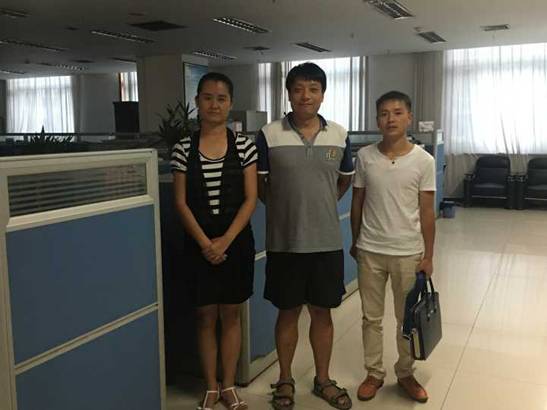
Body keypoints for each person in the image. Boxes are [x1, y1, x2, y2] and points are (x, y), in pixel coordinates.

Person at [256, 62, 354, 410]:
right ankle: (285, 379)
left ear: (323, 94)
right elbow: (261, 185)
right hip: (285, 243)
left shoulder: (339, 134)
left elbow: (344, 181)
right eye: (298, 89)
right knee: (287, 313)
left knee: (322, 314)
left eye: (313, 89)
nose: (305, 96)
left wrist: (321, 205)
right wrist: (285, 209)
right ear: (288, 94)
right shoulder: (269, 134)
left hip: (326, 243)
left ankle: (323, 379)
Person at [171, 72, 257, 410]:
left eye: (221, 99)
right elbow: (181, 202)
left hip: (236, 244)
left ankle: (230, 385)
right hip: (197, 244)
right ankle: (211, 386)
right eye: (207, 98)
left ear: (230, 103)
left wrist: (225, 242)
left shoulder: (245, 146)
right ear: (197, 102)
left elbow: (250, 199)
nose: (214, 105)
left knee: (231, 315)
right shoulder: (183, 148)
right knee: (205, 317)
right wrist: (207, 244)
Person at [350, 90, 436, 403]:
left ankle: (405, 373)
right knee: (370, 318)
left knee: (406, 319)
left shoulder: (423, 160)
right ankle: (374, 373)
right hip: (371, 250)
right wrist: (355, 241)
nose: (391, 119)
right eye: (384, 113)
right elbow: (357, 201)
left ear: (409, 117)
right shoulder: (365, 157)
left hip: (408, 253)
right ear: (377, 120)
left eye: (398, 113)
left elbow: (427, 211)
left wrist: (429, 255)